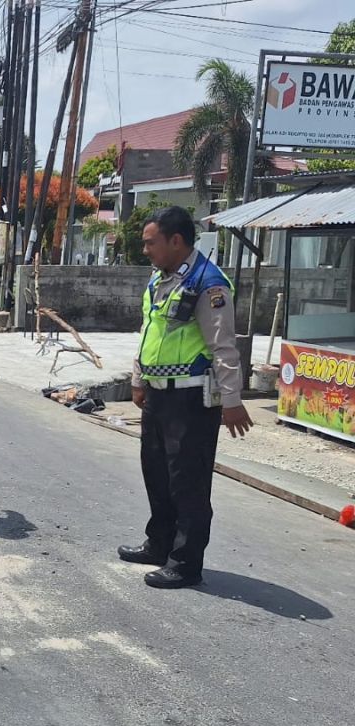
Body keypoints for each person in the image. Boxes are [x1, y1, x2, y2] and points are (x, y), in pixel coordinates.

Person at [119, 206, 254, 588]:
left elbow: (223, 348)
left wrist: (232, 401)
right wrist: (138, 379)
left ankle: (185, 563)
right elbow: (148, 331)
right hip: (158, 397)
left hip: (192, 400)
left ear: (176, 241)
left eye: (150, 243)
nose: (145, 250)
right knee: (156, 474)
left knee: (188, 482)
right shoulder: (159, 279)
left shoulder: (208, 284)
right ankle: (158, 543)